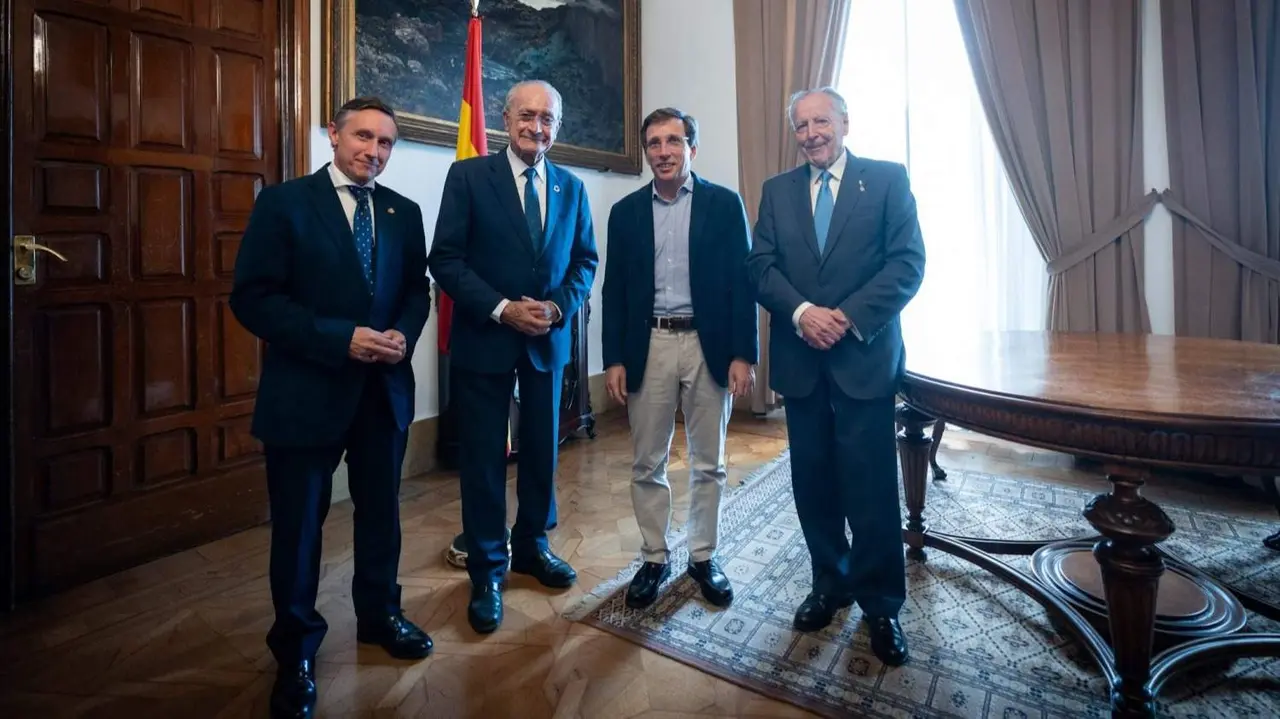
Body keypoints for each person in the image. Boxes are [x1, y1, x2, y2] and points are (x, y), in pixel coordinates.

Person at [230, 96, 434, 718]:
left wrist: (403, 333)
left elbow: (415, 292)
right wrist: (338, 338)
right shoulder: (285, 204)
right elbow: (254, 300)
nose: (374, 151)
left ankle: (380, 616)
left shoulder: (404, 211)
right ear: (333, 134)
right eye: (363, 137)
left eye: (386, 143)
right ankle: (294, 652)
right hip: (306, 394)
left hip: (382, 395)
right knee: (297, 531)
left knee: (381, 517)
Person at [745, 87, 924, 667]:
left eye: (821, 120)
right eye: (802, 124)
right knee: (813, 482)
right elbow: (760, 267)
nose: (812, 132)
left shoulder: (888, 179)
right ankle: (830, 583)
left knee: (870, 486)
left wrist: (845, 317)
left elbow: (908, 263)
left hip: (863, 359)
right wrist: (801, 313)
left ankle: (880, 604)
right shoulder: (777, 191)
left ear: (844, 122)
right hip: (802, 364)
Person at [427, 80, 599, 634]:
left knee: (544, 453)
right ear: (505, 119)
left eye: (548, 119)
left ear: (558, 126)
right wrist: (503, 308)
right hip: (487, 339)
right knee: (481, 458)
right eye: (527, 116)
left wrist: (554, 308)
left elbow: (585, 263)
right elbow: (447, 260)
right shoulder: (470, 176)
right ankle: (486, 567)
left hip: (547, 341)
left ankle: (531, 545)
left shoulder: (571, 187)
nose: (537, 127)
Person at [601, 107, 758, 610]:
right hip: (648, 345)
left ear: (692, 147)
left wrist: (742, 354)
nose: (664, 152)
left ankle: (703, 556)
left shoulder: (724, 204)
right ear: (646, 151)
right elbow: (615, 291)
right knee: (648, 461)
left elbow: (742, 285)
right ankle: (653, 557)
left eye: (674, 141)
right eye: (654, 143)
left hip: (707, 346)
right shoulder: (625, 213)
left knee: (708, 462)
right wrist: (615, 358)